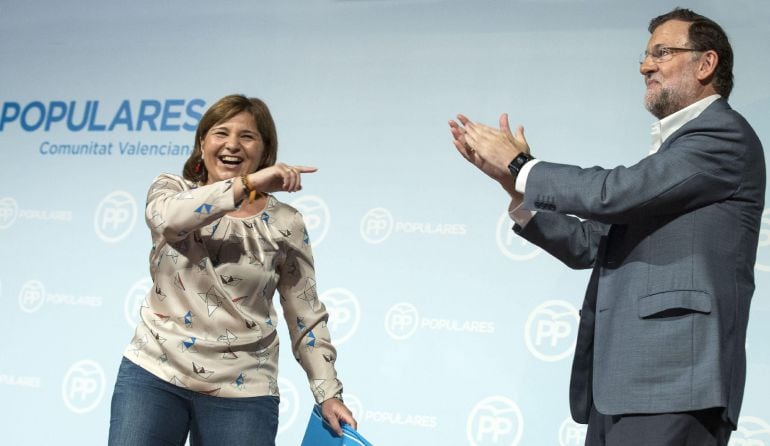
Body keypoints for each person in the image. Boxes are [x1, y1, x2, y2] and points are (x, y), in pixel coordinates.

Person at [449, 8, 765, 446]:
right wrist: (515, 187)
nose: (644, 65)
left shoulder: (721, 137)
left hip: (675, 384)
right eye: (645, 55)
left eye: (662, 52)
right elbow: (591, 243)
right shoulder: (676, 153)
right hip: (620, 386)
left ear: (706, 64)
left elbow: (614, 193)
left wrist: (523, 166)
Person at [108, 94, 357, 446]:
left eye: (247, 136)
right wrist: (249, 186)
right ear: (202, 143)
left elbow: (305, 313)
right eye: (220, 133)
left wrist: (328, 392)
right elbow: (170, 221)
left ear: (265, 150)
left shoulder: (287, 222)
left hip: (244, 392)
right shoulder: (170, 190)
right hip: (154, 375)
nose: (232, 145)